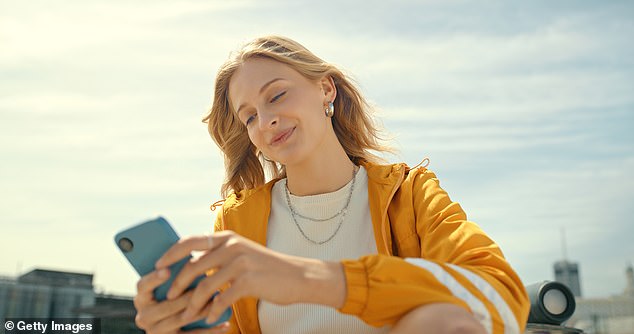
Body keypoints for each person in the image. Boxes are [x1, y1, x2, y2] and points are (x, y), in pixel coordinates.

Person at [133, 35, 530, 334]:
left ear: (326, 89)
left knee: (443, 320)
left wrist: (309, 280)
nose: (266, 120)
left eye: (278, 95)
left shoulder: (409, 195)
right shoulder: (237, 224)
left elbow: (502, 298)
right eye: (249, 116)